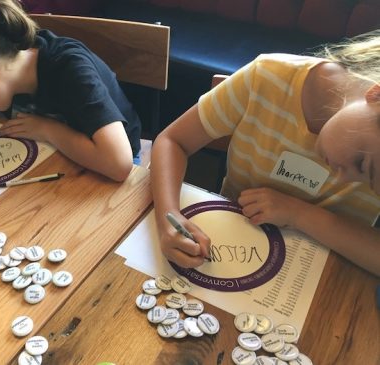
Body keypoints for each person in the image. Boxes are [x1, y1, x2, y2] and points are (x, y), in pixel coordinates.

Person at [151, 30, 380, 276]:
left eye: (369, 184)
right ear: (376, 95)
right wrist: (168, 218)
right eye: (362, 164)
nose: (343, 180)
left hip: (324, 279)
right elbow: (173, 140)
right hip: (230, 246)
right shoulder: (267, 77)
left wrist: (299, 214)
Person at [0, 0, 142, 182]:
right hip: (51, 155)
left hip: (113, 163)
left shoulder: (71, 70)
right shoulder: (3, 61)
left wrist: (48, 130)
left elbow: (119, 164)